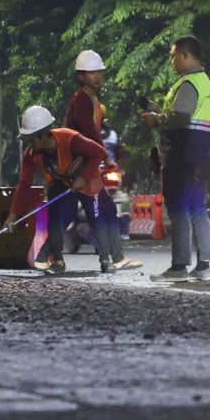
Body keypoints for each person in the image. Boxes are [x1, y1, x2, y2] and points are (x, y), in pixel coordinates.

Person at [141, 36, 210, 282]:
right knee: (197, 209)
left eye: (174, 55)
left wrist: (157, 119)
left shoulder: (189, 83)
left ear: (186, 56)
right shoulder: (204, 83)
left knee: (179, 210)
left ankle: (178, 267)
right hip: (199, 156)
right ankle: (204, 266)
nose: (172, 61)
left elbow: (181, 117)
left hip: (182, 157)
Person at [5, 105, 116, 274]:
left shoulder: (70, 139)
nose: (29, 144)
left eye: (32, 139)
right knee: (56, 219)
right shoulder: (31, 154)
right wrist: (13, 215)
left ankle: (105, 259)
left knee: (95, 216)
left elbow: (98, 152)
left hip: (87, 179)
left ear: (43, 135)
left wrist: (82, 178)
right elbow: (24, 184)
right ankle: (58, 261)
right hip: (61, 183)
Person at [64, 50, 141, 269]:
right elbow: (89, 132)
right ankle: (109, 258)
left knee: (102, 209)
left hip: (90, 164)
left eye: (99, 72)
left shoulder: (94, 100)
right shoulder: (81, 99)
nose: (97, 76)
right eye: (91, 73)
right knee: (98, 210)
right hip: (82, 165)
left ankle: (112, 258)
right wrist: (105, 159)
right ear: (81, 75)